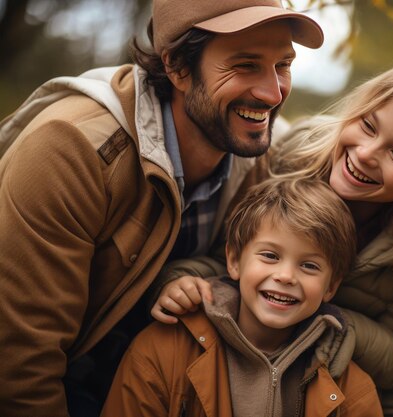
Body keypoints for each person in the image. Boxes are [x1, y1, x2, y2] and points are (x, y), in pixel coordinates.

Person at [0, 1, 323, 416]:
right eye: (245, 65)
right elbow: (19, 366)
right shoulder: (74, 151)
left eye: (283, 65)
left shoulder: (253, 162)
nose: (272, 92)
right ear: (177, 67)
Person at [152, 56, 393, 417]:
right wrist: (182, 279)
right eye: (369, 126)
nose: (366, 153)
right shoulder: (291, 161)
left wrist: (340, 324)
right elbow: (231, 258)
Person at [100, 177, 383, 417]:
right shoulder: (162, 351)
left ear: (330, 287)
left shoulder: (350, 390)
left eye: (309, 266)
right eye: (270, 256)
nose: (286, 276)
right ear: (234, 261)